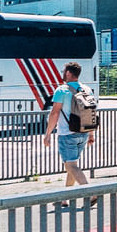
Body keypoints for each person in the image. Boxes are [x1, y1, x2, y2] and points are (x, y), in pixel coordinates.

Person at [38, 62, 94, 198]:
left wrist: (47, 134)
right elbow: (91, 111)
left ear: (68, 73)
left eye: (64, 71)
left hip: (67, 133)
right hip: (83, 132)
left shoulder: (62, 90)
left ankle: (91, 193)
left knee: (70, 166)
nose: (62, 73)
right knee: (72, 165)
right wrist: (91, 133)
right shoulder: (86, 89)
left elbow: (55, 112)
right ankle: (65, 197)